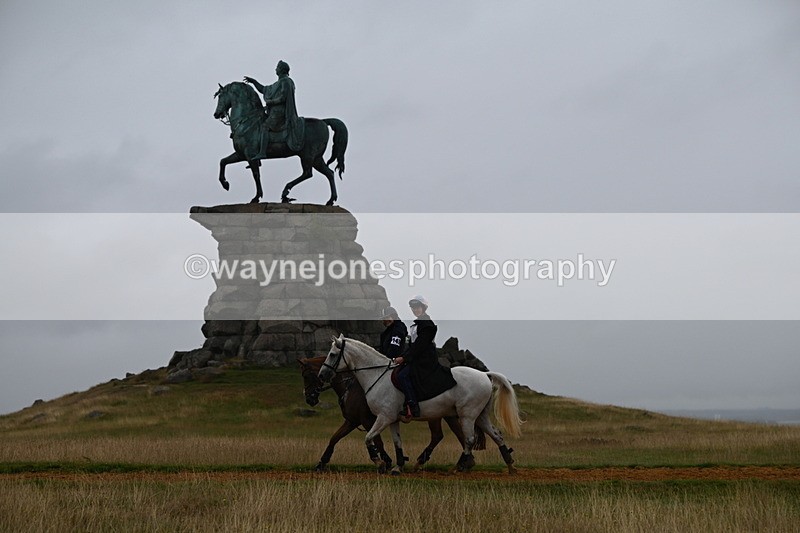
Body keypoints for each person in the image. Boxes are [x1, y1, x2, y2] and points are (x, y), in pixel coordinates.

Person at [393, 295, 457, 418]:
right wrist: (402, 356)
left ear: (423, 308)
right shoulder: (418, 324)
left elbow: (420, 346)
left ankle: (413, 405)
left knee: (402, 375)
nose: (415, 310)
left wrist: (405, 358)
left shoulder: (426, 324)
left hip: (425, 360)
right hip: (417, 358)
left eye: (417, 307)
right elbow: (412, 346)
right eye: (413, 308)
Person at [243, 60, 305, 151]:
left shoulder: (286, 81)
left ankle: (262, 152)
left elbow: (283, 98)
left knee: (264, 126)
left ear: (281, 70)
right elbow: (264, 89)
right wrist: (254, 82)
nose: (275, 69)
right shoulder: (277, 84)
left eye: (277, 67)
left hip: (280, 113)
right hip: (274, 112)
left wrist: (271, 102)